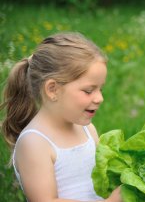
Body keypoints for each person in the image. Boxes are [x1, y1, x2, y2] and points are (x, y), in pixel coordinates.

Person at [0, 32, 122, 202]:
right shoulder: (34, 143)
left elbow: (104, 177)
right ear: (52, 89)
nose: (99, 98)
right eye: (88, 90)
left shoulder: (87, 130)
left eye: (100, 89)